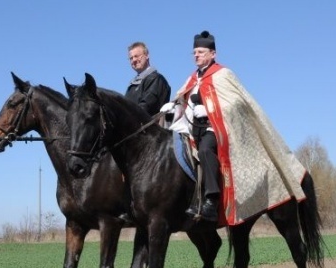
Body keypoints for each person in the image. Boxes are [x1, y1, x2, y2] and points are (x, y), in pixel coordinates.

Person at [161, 31, 307, 224]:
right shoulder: (192, 79)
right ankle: (189, 199)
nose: (196, 55)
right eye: (194, 52)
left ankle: (211, 201)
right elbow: (183, 98)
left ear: (213, 54)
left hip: (216, 128)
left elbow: (237, 104)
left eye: (201, 52)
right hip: (191, 129)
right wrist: (174, 105)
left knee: (205, 151)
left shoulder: (223, 75)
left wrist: (209, 110)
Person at [124, 42, 172, 117]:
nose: (134, 60)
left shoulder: (156, 79)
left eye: (137, 56)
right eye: (131, 58)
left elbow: (146, 107)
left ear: (147, 56)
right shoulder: (132, 86)